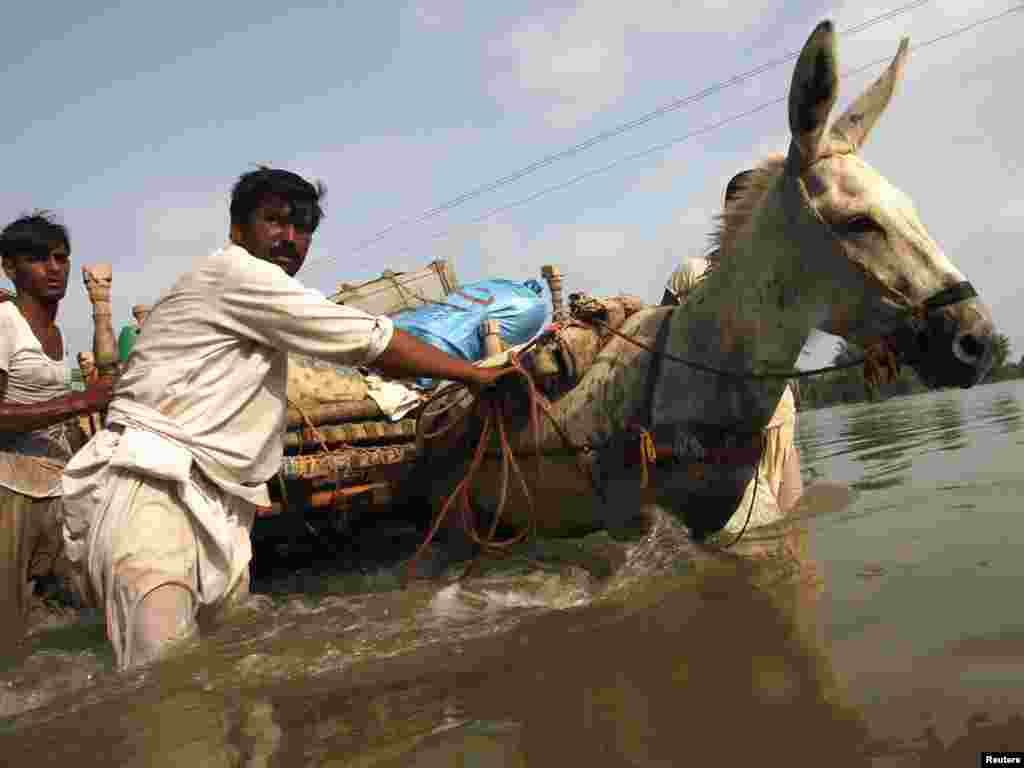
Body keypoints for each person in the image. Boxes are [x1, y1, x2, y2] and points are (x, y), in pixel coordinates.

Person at [61, 167, 509, 670]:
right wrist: (472, 375)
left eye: (303, 228)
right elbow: (369, 341)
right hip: (154, 487)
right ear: (237, 228)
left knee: (212, 674)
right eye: (274, 221)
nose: (290, 238)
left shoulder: (251, 292)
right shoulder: (237, 275)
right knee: (161, 684)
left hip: (220, 501)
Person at [661, 170, 803, 518]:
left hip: (776, 420)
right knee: (743, 536)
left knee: (793, 530)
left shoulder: (786, 278)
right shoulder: (692, 273)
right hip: (713, 429)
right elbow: (658, 340)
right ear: (730, 217)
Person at [0, 213, 113, 644]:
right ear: (10, 268)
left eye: (60, 258)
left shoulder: (57, 333)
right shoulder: (5, 322)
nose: (53, 268)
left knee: (78, 615)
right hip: (10, 492)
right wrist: (81, 401)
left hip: (55, 490)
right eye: (37, 259)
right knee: (8, 626)